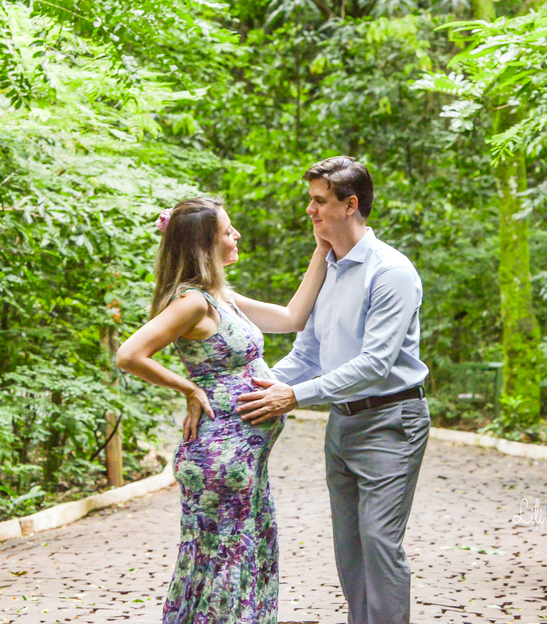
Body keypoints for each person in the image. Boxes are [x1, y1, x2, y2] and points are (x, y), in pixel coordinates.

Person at [114, 197, 330, 624]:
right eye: (227, 231)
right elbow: (129, 354)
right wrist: (189, 387)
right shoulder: (193, 303)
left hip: (245, 460)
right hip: (219, 458)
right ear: (203, 245)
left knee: (236, 559)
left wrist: (322, 249)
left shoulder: (221, 296)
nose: (236, 236)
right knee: (222, 567)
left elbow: (292, 317)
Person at [236, 157, 429, 624]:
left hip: (391, 422)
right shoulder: (329, 269)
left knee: (380, 545)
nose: (310, 210)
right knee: (350, 547)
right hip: (342, 423)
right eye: (311, 200)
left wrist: (295, 397)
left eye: (319, 201)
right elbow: (307, 355)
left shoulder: (391, 272)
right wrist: (255, 388)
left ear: (351, 205)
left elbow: (375, 364)